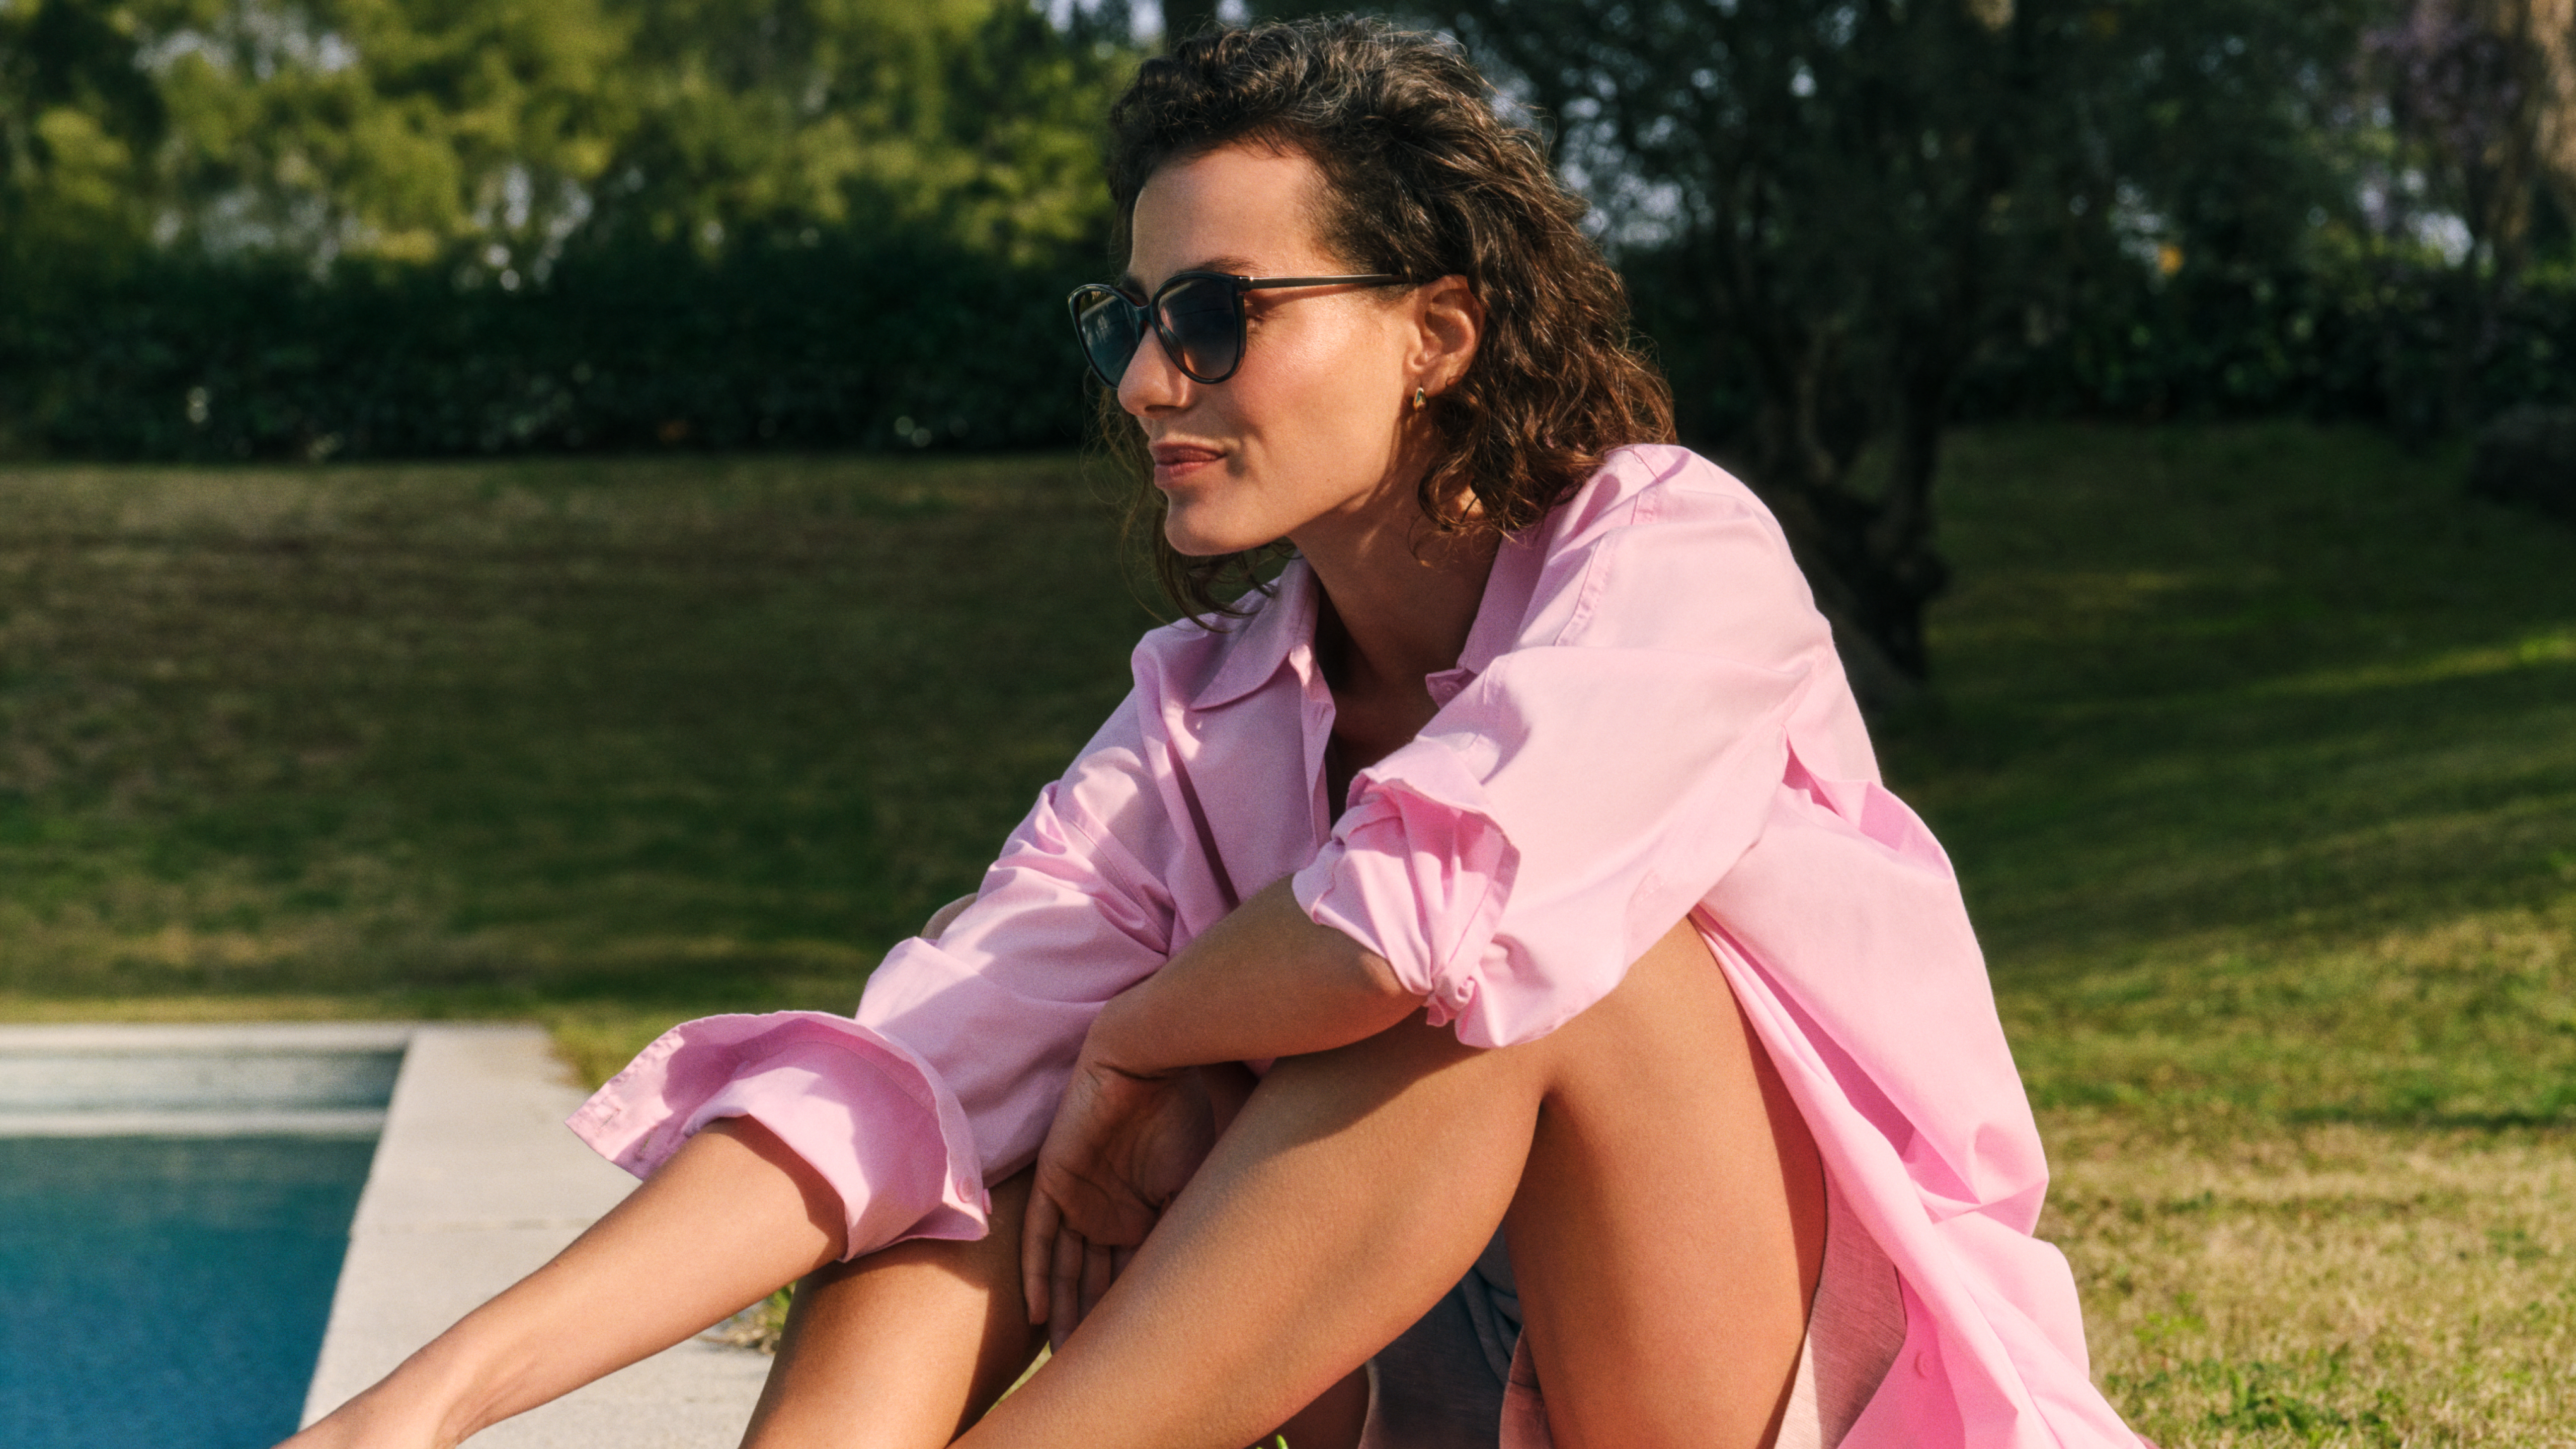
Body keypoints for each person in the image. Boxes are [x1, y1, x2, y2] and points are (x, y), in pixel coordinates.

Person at [281, 18, 2144, 1449]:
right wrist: (427, 1402)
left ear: (1437, 330)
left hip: (1741, 1391)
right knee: (965, 1153)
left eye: (1218, 315)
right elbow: (904, 1071)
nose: (1153, 379)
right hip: (1397, 1385)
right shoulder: (1202, 713)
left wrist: (1145, 1044)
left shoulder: (1672, 555)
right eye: (1134, 322)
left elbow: (1433, 914)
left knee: (1552, 973)